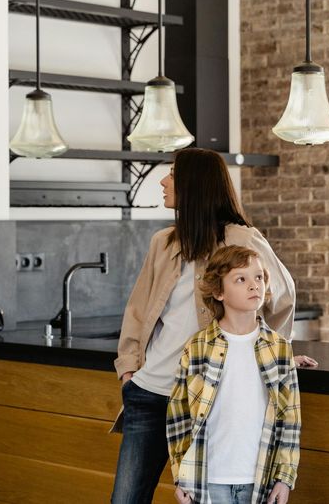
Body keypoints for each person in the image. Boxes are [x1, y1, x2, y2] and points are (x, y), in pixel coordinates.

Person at [110, 148, 309, 503]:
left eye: (172, 174)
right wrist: (128, 371)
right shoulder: (164, 242)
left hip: (205, 400)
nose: (163, 180)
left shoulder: (241, 240)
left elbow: (281, 296)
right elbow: (137, 311)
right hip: (150, 393)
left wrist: (269, 354)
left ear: (195, 185)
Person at [167, 245, 300, 504]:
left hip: (260, 479)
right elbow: (178, 416)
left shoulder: (280, 348)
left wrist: (284, 478)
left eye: (259, 277)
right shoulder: (197, 347)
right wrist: (180, 475)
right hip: (208, 481)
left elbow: (290, 421)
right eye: (241, 279)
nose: (254, 285)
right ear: (218, 292)